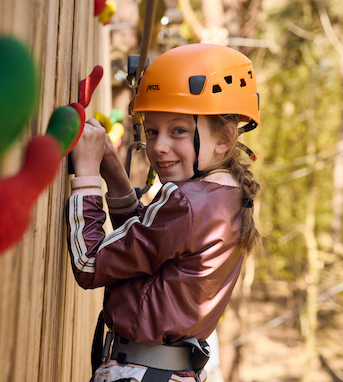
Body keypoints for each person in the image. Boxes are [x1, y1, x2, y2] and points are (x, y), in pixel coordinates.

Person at [65, 43, 261, 382]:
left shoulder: (188, 202)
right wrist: (112, 172)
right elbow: (145, 253)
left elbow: (90, 263)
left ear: (224, 139)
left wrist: (84, 175)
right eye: (152, 130)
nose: (158, 146)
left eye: (179, 131)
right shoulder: (225, 197)